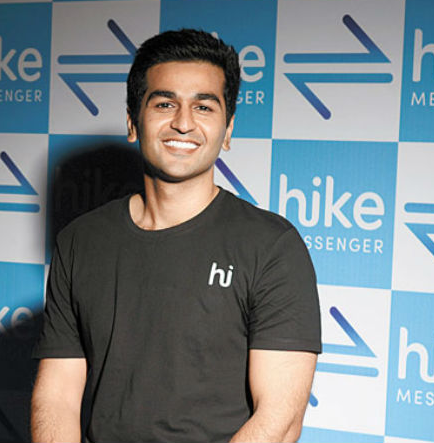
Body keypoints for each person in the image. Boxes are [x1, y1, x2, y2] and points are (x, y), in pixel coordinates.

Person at [31, 29, 321, 443]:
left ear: (228, 129)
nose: (183, 123)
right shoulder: (79, 241)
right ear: (133, 121)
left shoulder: (271, 246)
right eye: (165, 104)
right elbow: (57, 396)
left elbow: (280, 418)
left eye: (204, 107)